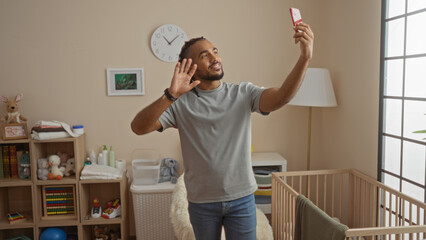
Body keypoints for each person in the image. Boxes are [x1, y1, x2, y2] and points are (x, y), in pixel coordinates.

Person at [131, 22, 314, 240]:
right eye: (205, 55)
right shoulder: (179, 103)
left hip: (242, 199)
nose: (215, 57)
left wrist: (304, 59)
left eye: (215, 51)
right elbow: (138, 128)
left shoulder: (243, 93)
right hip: (201, 202)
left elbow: (282, 96)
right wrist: (170, 94)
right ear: (190, 66)